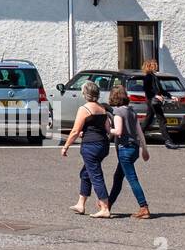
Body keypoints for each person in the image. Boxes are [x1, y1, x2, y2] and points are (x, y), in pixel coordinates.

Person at [61, 80, 112, 218]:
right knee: (86, 173)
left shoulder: (84, 109)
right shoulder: (102, 109)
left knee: (95, 175)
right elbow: (108, 129)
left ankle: (105, 207)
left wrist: (66, 146)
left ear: (85, 94)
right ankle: (80, 204)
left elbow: (75, 131)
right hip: (103, 145)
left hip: (91, 146)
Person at [107, 85, 152, 218]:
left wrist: (107, 129)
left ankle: (144, 207)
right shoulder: (132, 111)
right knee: (118, 177)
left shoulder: (118, 112)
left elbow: (119, 131)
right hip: (134, 149)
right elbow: (139, 132)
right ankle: (108, 204)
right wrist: (144, 149)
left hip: (124, 149)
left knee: (132, 179)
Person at [140, 58, 178, 149]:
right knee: (162, 120)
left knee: (148, 121)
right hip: (152, 101)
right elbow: (147, 90)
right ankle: (168, 141)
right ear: (149, 66)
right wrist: (156, 96)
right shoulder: (148, 77)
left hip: (153, 101)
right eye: (154, 64)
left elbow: (160, 89)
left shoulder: (154, 76)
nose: (156, 66)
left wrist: (170, 96)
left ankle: (136, 138)